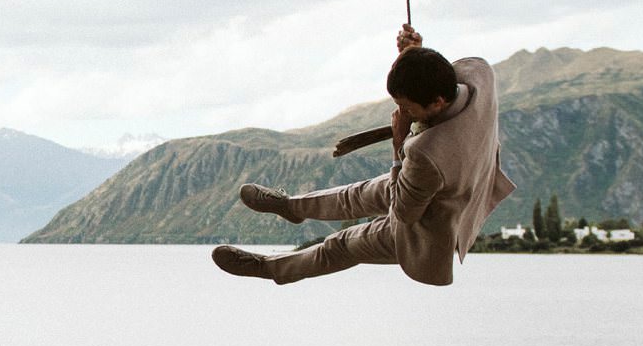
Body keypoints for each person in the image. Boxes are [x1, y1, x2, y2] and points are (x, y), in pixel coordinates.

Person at [211, 26, 515, 286]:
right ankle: (292, 207)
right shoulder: (479, 74)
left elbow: (405, 214)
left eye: (408, 109)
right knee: (356, 194)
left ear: (436, 102)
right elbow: (433, 74)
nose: (402, 115)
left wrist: (398, 145)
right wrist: (411, 55)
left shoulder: (427, 154)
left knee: (343, 244)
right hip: (453, 176)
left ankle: (270, 268)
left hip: (430, 224)